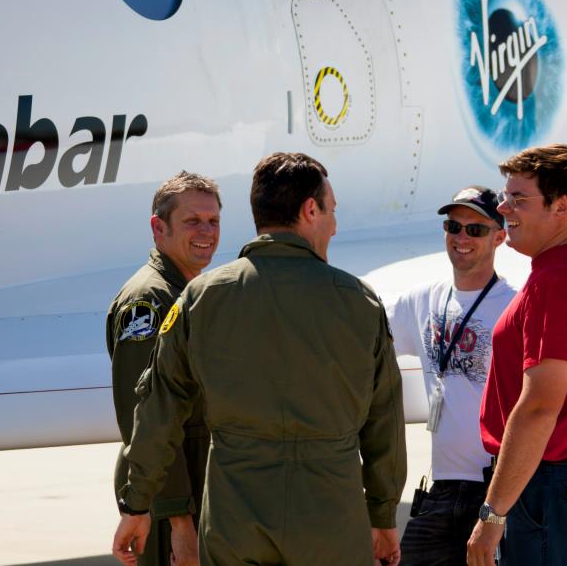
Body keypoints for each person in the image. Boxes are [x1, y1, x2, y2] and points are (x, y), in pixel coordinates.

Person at [112, 152, 407, 566]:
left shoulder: (202, 298)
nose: (335, 225)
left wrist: (137, 504)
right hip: (331, 522)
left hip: (236, 522)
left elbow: (158, 409)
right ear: (310, 210)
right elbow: (385, 422)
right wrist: (383, 514)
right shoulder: (359, 301)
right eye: (331, 211)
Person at [467, 143, 567, 566]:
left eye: (518, 199)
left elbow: (539, 407)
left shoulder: (558, 279)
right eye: (505, 196)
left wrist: (492, 514)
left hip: (551, 483)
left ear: (562, 206)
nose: (503, 208)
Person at [387, 187, 516, 565]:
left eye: (475, 230)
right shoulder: (421, 299)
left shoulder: (513, 304)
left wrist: (499, 506)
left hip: (495, 489)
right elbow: (360, 339)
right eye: (453, 226)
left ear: (499, 237)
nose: (461, 237)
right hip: (440, 488)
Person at [105, 172, 222, 566]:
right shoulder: (148, 302)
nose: (206, 232)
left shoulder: (186, 293)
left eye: (213, 221)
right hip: (166, 500)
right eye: (192, 221)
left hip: (192, 489)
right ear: (159, 228)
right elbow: (146, 418)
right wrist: (179, 522)